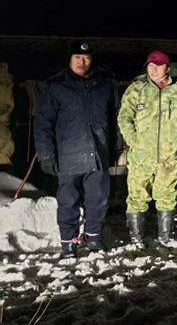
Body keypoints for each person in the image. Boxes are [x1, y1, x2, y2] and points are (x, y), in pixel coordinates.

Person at [33, 40, 120, 259]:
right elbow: (43, 123)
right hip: (68, 157)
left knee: (98, 200)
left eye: (87, 58)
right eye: (77, 58)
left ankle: (94, 238)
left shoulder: (105, 86)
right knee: (68, 202)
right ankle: (69, 244)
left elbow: (115, 120)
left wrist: (115, 148)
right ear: (70, 59)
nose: (82, 62)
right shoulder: (56, 87)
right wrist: (46, 154)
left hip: (98, 155)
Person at [117, 50, 177, 248]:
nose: (154, 69)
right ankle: (136, 238)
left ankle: (165, 237)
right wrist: (134, 141)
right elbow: (124, 117)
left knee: (168, 195)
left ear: (168, 68)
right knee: (137, 196)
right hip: (141, 155)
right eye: (150, 65)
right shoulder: (136, 89)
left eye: (158, 65)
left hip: (168, 155)